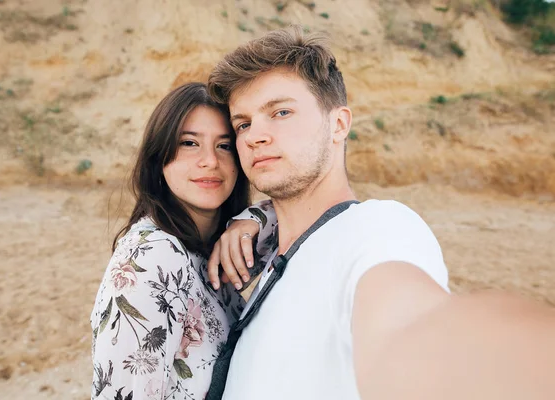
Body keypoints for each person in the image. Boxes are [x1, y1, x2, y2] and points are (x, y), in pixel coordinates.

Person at [205, 26, 555, 400]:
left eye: (282, 112)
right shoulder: (271, 260)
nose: (254, 135)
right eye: (243, 123)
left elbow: (413, 331)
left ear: (338, 124)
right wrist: (250, 219)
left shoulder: (376, 228)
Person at [89, 82, 277, 400]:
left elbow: (302, 209)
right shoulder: (152, 255)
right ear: (158, 159)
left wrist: (250, 221)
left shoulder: (214, 245)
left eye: (225, 146)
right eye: (189, 143)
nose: (210, 161)